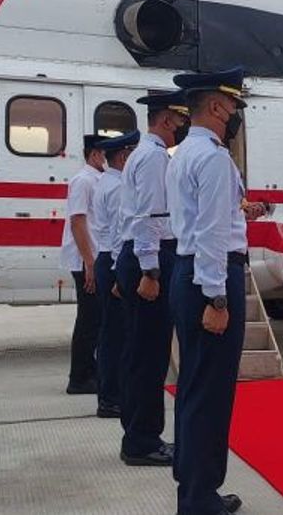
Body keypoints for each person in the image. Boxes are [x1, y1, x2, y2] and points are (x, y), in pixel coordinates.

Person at [168, 68, 254, 515]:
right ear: (218, 106)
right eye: (234, 105)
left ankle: (192, 486)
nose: (237, 113)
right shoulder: (216, 158)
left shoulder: (182, 153)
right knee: (211, 393)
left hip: (188, 274)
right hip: (210, 278)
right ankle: (200, 499)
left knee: (194, 388)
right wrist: (218, 298)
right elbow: (213, 234)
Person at [115, 90, 189, 467]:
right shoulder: (155, 158)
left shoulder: (139, 156)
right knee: (150, 355)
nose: (180, 127)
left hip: (139, 255)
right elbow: (149, 217)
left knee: (138, 351)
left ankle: (136, 432)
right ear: (165, 120)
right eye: (178, 120)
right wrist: (150, 270)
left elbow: (128, 218)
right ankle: (143, 441)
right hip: (151, 257)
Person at [89, 131, 140, 418]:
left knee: (110, 332)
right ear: (123, 156)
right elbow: (123, 231)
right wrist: (122, 274)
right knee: (117, 334)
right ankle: (112, 398)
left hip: (105, 258)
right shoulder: (119, 187)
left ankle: (110, 395)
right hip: (113, 260)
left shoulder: (104, 182)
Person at [63, 135, 106, 395]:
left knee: (96, 318)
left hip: (91, 258)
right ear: (93, 155)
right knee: (89, 319)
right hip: (85, 260)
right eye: (104, 153)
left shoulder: (95, 179)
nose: (108, 159)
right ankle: (78, 378)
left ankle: (90, 371)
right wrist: (89, 263)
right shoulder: (83, 180)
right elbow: (78, 222)